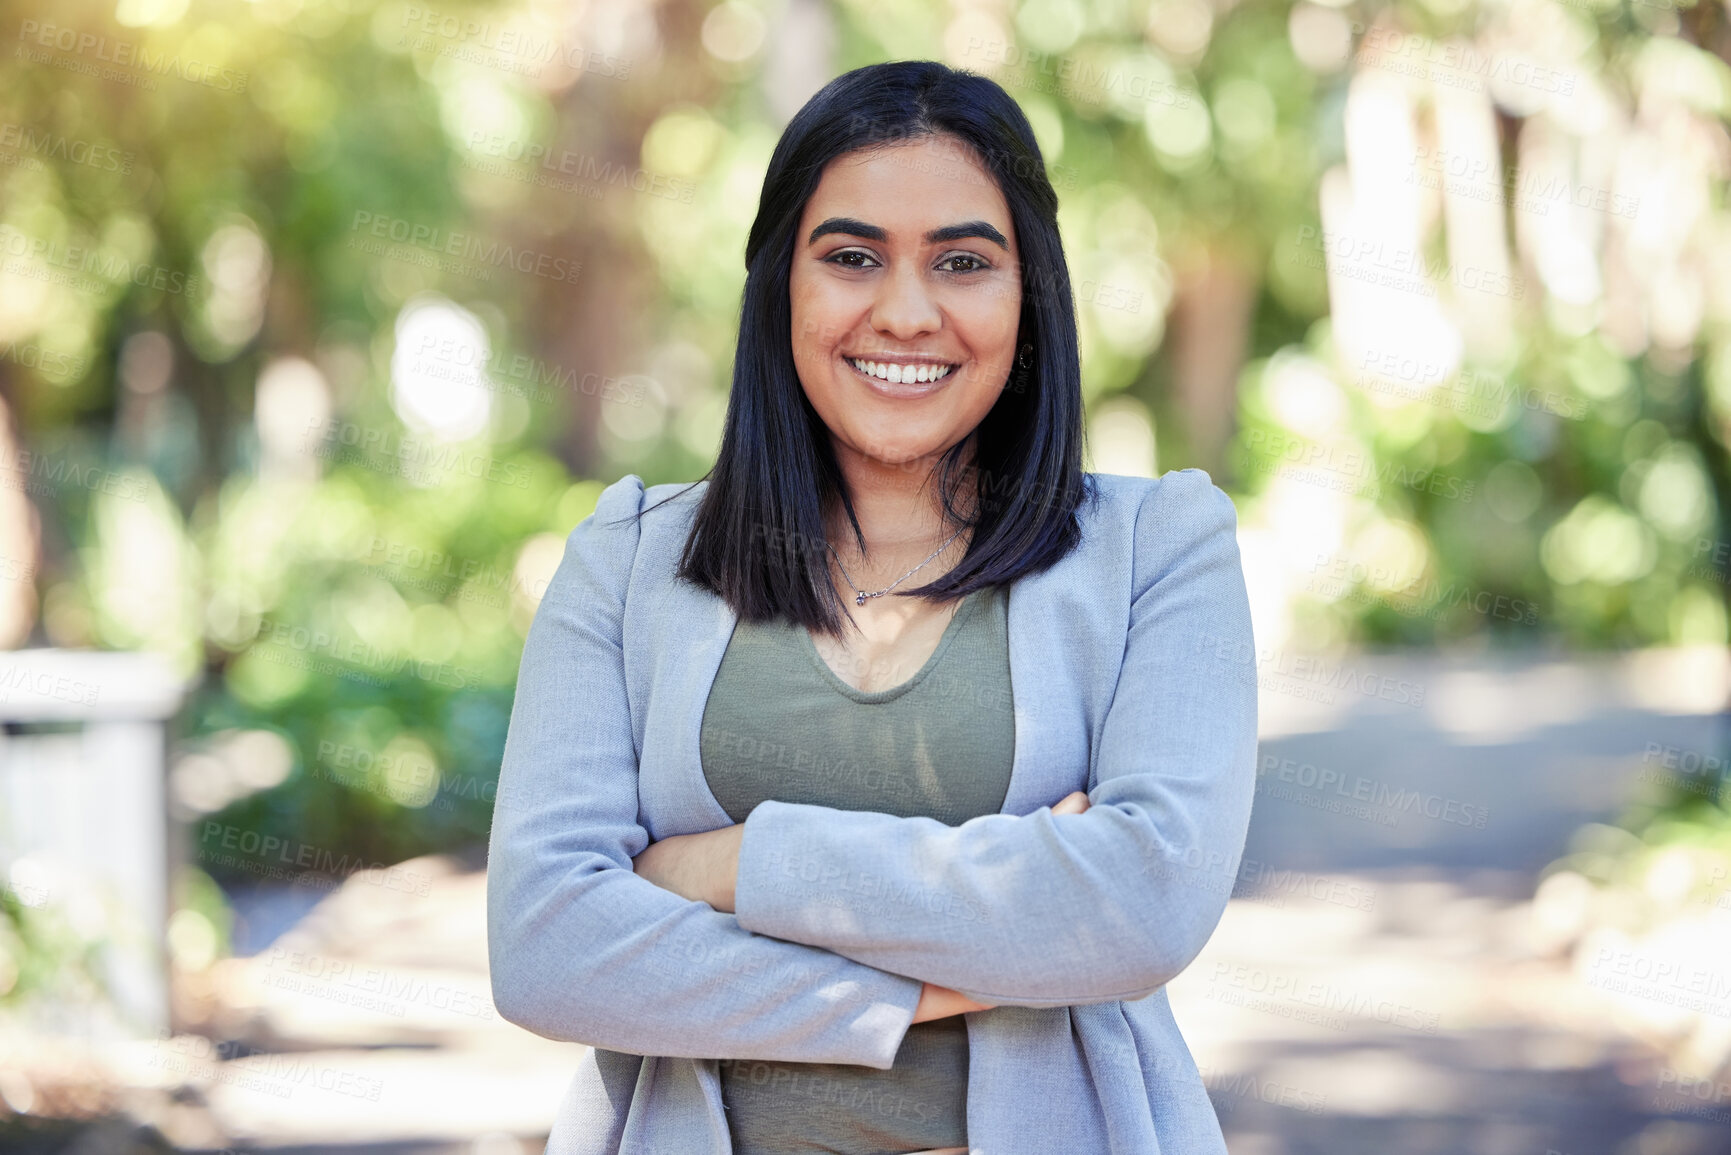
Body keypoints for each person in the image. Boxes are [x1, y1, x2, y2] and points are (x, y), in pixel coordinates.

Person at [487, 59, 1258, 1155]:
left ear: (1027, 294)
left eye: (962, 261)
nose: (906, 311)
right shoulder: (627, 560)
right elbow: (546, 949)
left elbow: (1139, 907)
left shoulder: (1157, 553)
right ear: (780, 288)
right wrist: (929, 987)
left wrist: (731, 865)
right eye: (851, 257)